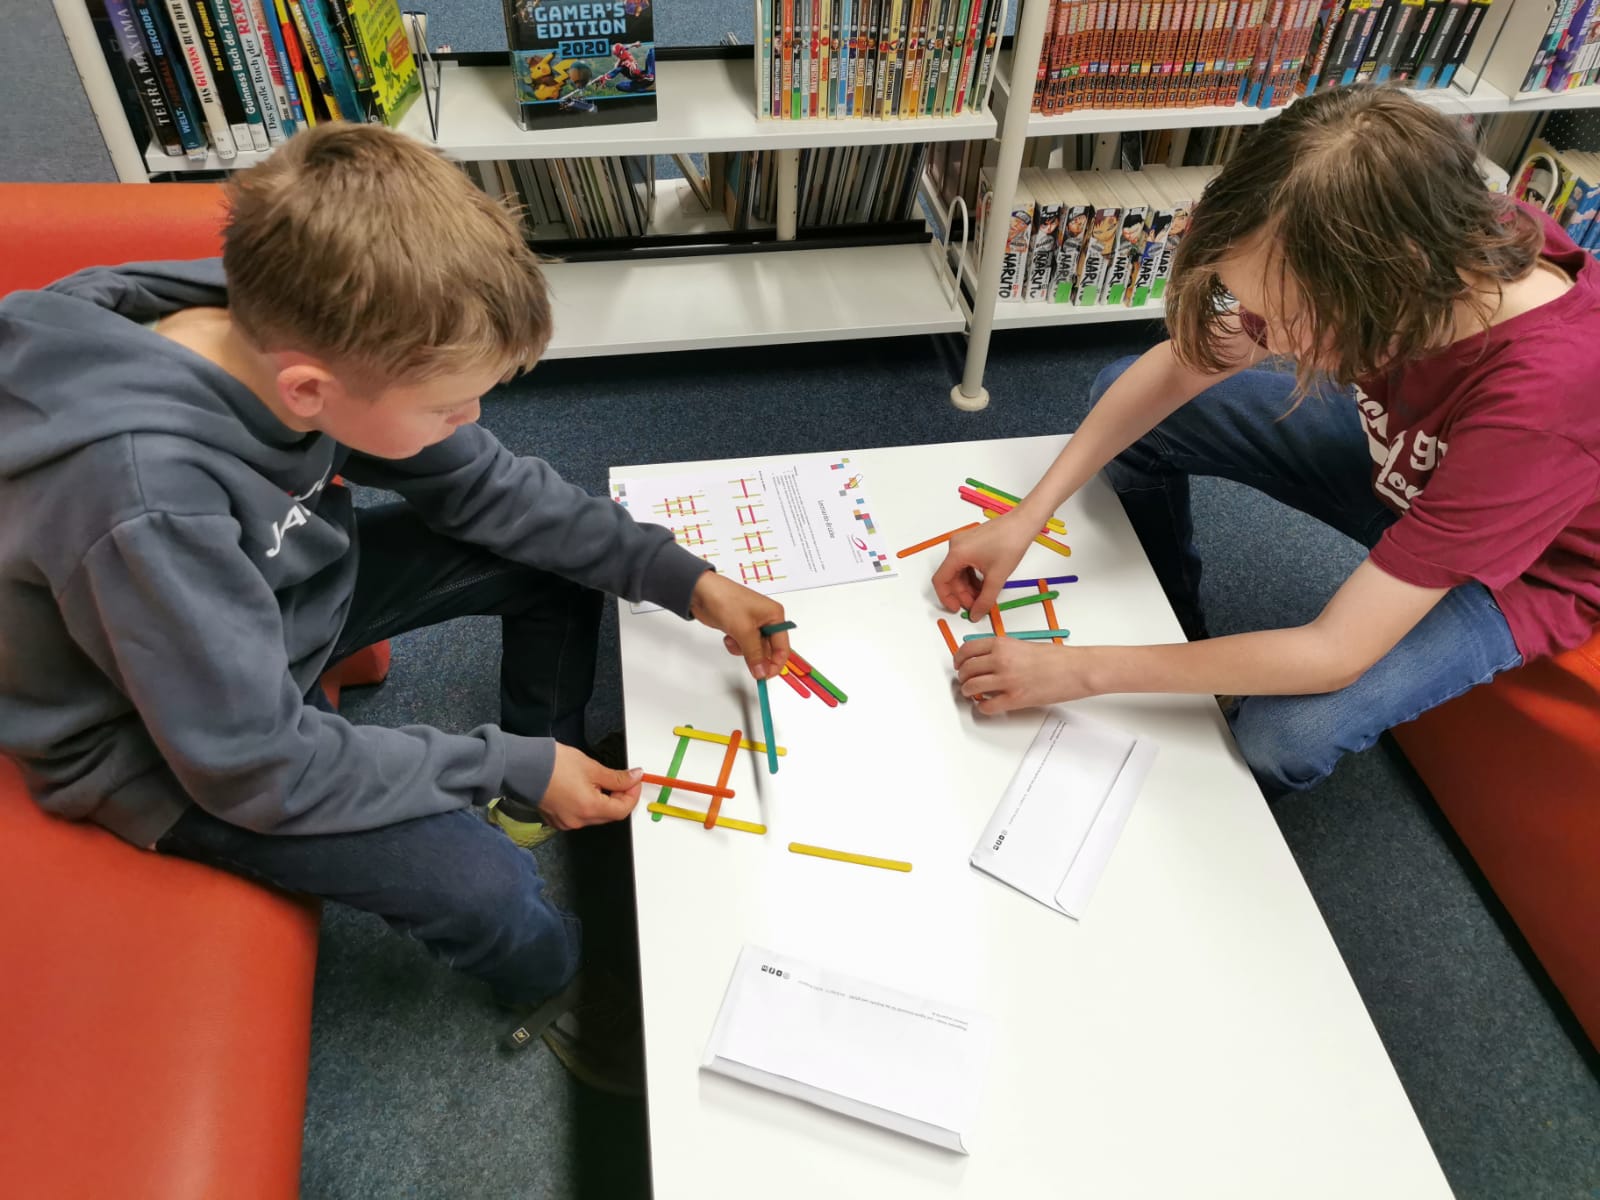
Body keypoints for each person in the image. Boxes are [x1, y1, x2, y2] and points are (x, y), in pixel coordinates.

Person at [0, 122, 789, 1093]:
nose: (470, 422)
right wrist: (501, 758)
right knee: (481, 885)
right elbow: (254, 767)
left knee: (541, 557)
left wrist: (688, 581)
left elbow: (492, 491)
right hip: (157, 740)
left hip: (263, 609)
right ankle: (557, 981)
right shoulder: (145, 502)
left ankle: (537, 792)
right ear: (309, 390)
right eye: (449, 406)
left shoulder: (286, 323)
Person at [935, 85, 1600, 796]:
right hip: (1407, 463)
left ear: (1392, 288)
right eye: (1256, 313)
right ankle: (1179, 625)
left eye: (1287, 320)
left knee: (1285, 736)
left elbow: (1336, 651)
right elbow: (1185, 365)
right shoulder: (1424, 227)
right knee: (1126, 397)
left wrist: (1084, 670)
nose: (1265, 340)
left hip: (1522, 568)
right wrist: (1027, 516)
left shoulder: (1543, 400)